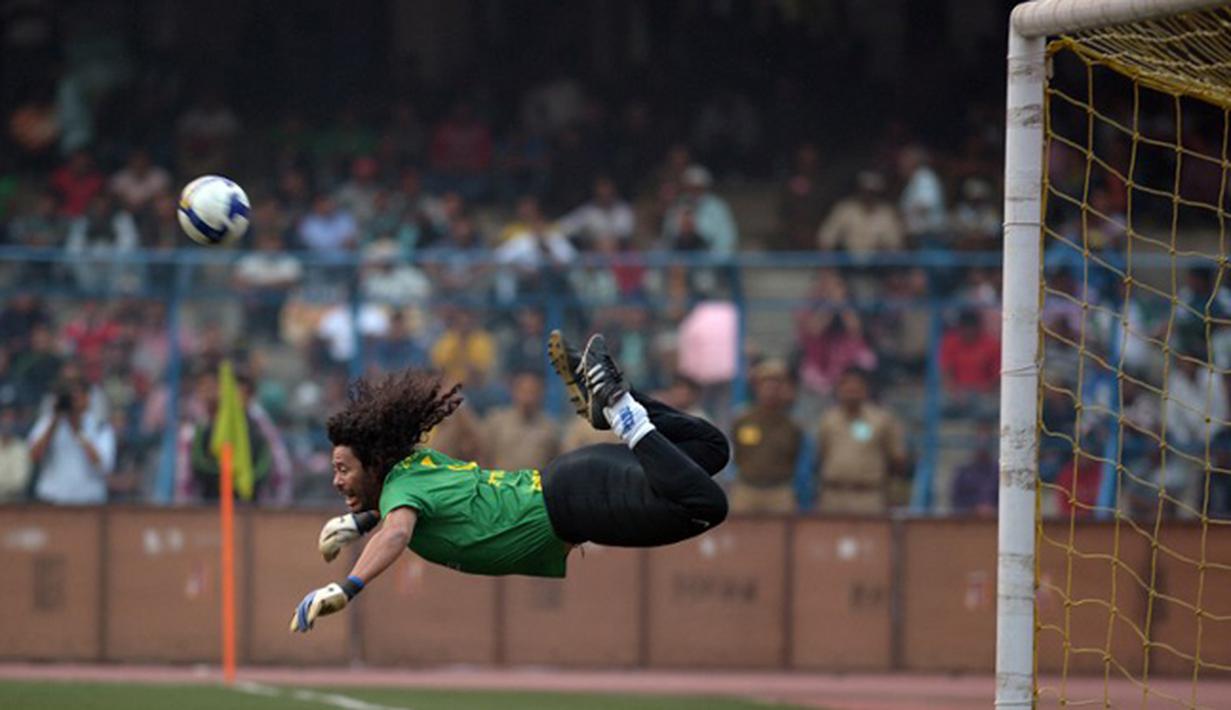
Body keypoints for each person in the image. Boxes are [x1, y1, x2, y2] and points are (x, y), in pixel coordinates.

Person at [289, 332, 729, 632]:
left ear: (374, 464)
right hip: (574, 481)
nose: (336, 480)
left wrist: (348, 587)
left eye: (343, 469)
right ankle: (615, 405)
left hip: (577, 504)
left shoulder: (401, 492)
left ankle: (619, 408)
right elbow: (410, 512)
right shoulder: (413, 467)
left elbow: (398, 532)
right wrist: (363, 521)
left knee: (706, 506)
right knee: (711, 448)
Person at [27, 378, 116, 505]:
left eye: (76, 397)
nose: (72, 403)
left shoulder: (99, 426)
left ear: (87, 399)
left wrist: (79, 431)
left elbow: (104, 466)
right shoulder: (47, 423)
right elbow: (33, 457)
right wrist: (54, 423)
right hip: (52, 501)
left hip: (89, 502)